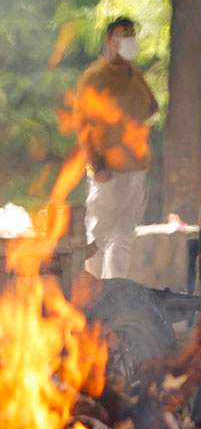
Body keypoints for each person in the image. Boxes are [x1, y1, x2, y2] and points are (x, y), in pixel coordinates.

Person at [74, 16, 158, 279]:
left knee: (123, 239)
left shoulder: (135, 75)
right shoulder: (95, 76)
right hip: (106, 172)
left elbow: (152, 106)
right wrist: (96, 165)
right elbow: (82, 126)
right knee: (97, 238)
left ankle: (115, 295)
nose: (130, 38)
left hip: (135, 171)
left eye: (132, 33)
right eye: (124, 33)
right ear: (110, 40)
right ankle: (92, 295)